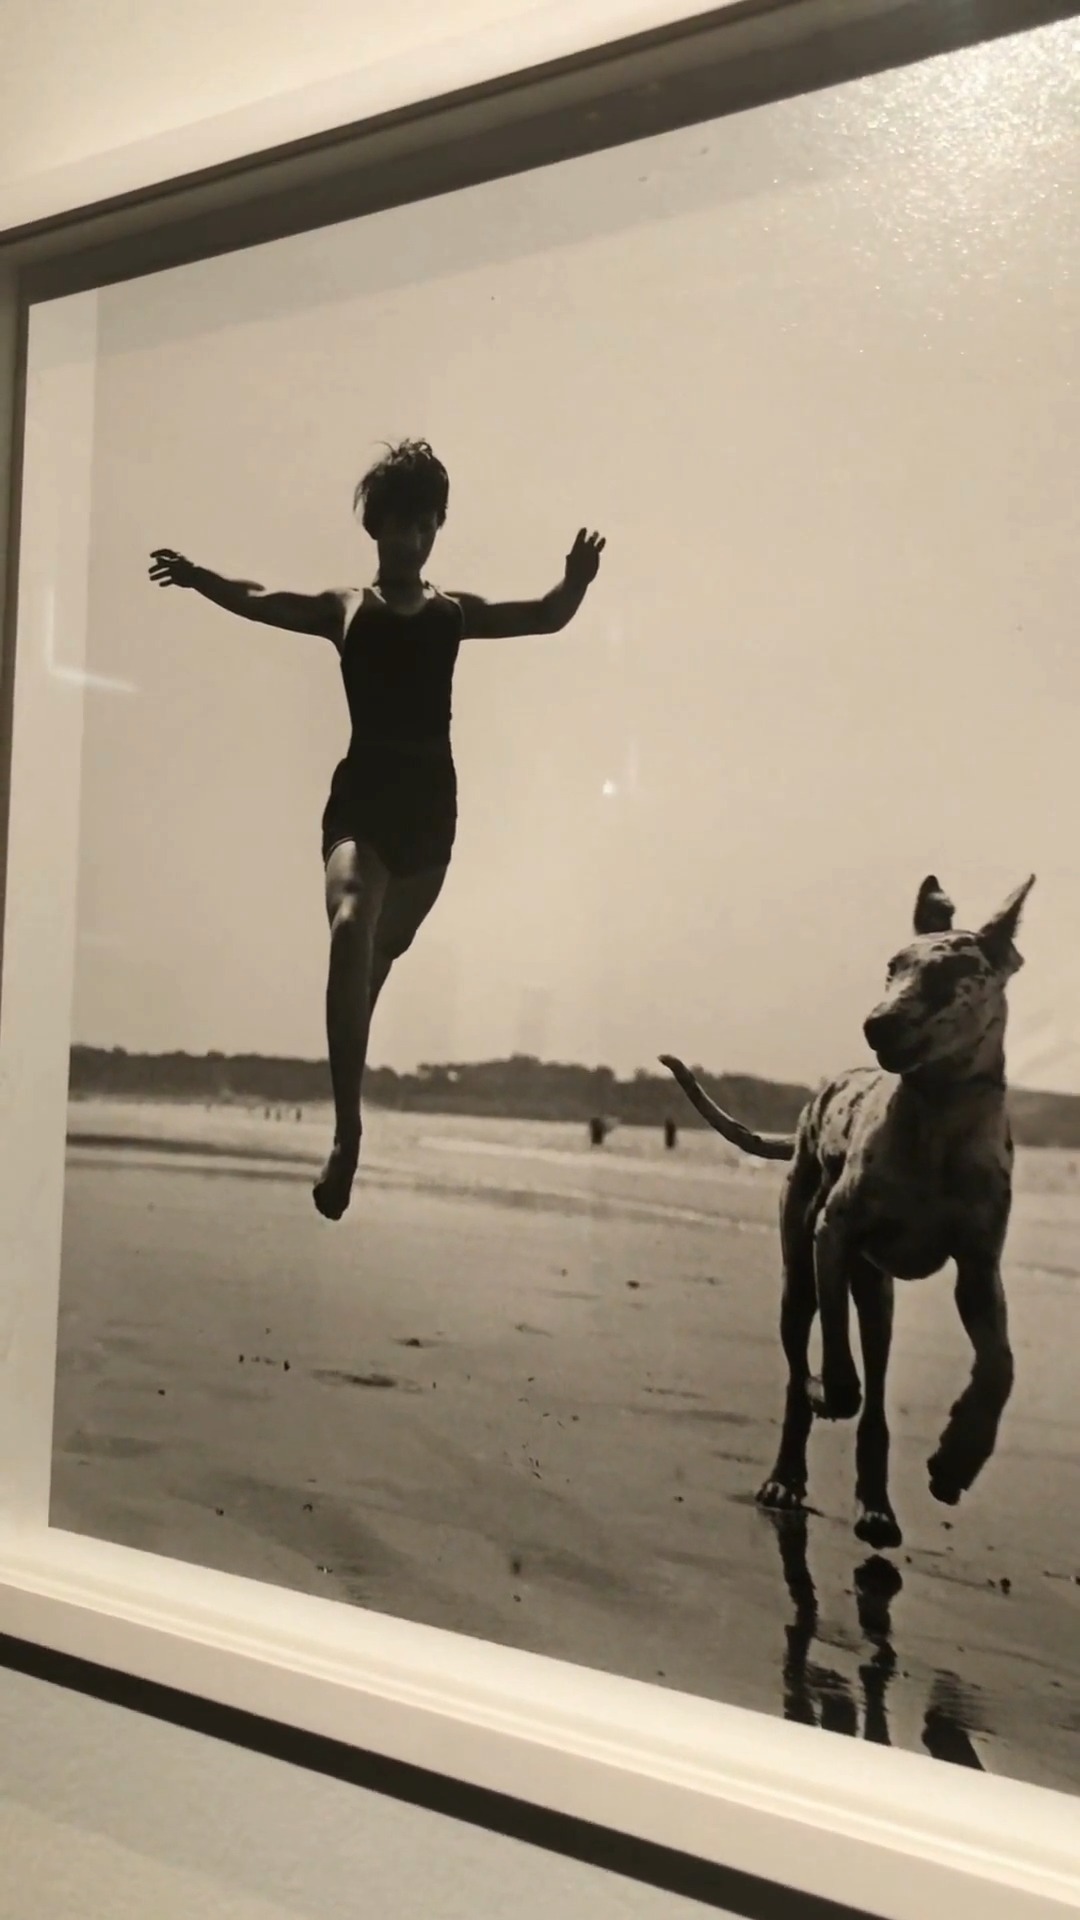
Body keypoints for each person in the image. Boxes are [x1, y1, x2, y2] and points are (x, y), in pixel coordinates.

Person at [149, 439, 605, 1221]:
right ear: (376, 528)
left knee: (374, 964)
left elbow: (543, 618)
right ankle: (347, 1132)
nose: (411, 538)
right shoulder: (346, 609)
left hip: (430, 813)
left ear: (435, 531)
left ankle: (349, 1100)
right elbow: (262, 597)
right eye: (398, 523)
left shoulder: (452, 614)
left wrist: (576, 581)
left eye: (425, 525)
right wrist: (199, 580)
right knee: (350, 924)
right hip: (361, 795)